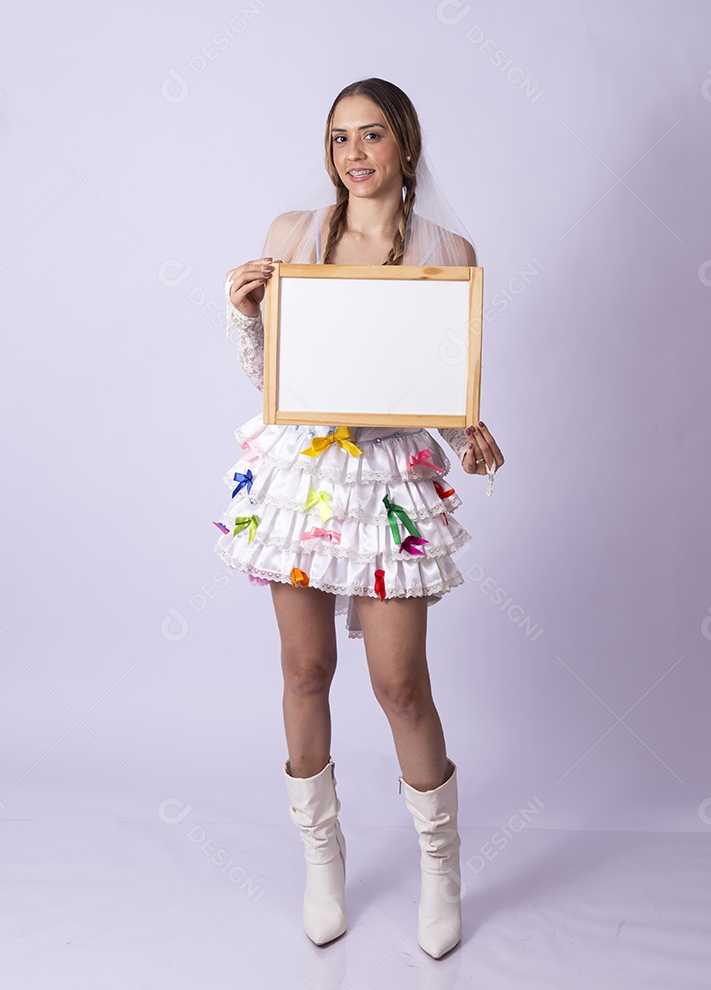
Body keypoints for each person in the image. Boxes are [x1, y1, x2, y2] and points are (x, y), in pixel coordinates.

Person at [217, 78, 505, 959]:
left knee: (398, 684)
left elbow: (434, 381)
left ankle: (441, 866)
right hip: (302, 478)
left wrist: (469, 433)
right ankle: (321, 860)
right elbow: (271, 374)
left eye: (372, 136)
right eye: (340, 138)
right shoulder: (291, 238)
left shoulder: (444, 248)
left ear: (404, 146)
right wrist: (245, 312)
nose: (354, 154)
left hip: (384, 479)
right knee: (304, 670)